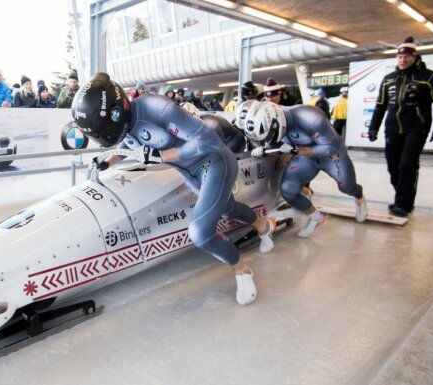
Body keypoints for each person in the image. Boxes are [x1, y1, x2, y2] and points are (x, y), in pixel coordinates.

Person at [71, 73, 278, 306]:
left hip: (215, 162)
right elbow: (129, 143)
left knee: (200, 232)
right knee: (227, 208)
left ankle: (242, 270)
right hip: (190, 173)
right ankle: (263, 226)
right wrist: (107, 161)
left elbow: (206, 143)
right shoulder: (127, 124)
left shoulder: (157, 108)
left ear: (117, 112)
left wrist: (162, 156)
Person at [245, 102, 367, 237]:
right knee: (288, 190)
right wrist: (265, 150)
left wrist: (298, 150)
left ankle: (359, 198)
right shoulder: (276, 123)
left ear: (276, 122)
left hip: (332, 155)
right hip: (305, 156)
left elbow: (330, 147)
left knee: (347, 187)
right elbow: (275, 144)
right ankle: (316, 218)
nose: (269, 138)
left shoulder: (310, 117)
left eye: (269, 134)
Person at [367, 36, 433, 217]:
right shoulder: (389, 79)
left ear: (415, 57)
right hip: (392, 128)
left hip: (417, 128)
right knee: (393, 167)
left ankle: (404, 203)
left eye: (407, 57)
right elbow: (380, 105)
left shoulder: (431, 77)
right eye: (400, 57)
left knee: (407, 165)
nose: (403, 60)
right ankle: (403, 196)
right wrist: (373, 127)